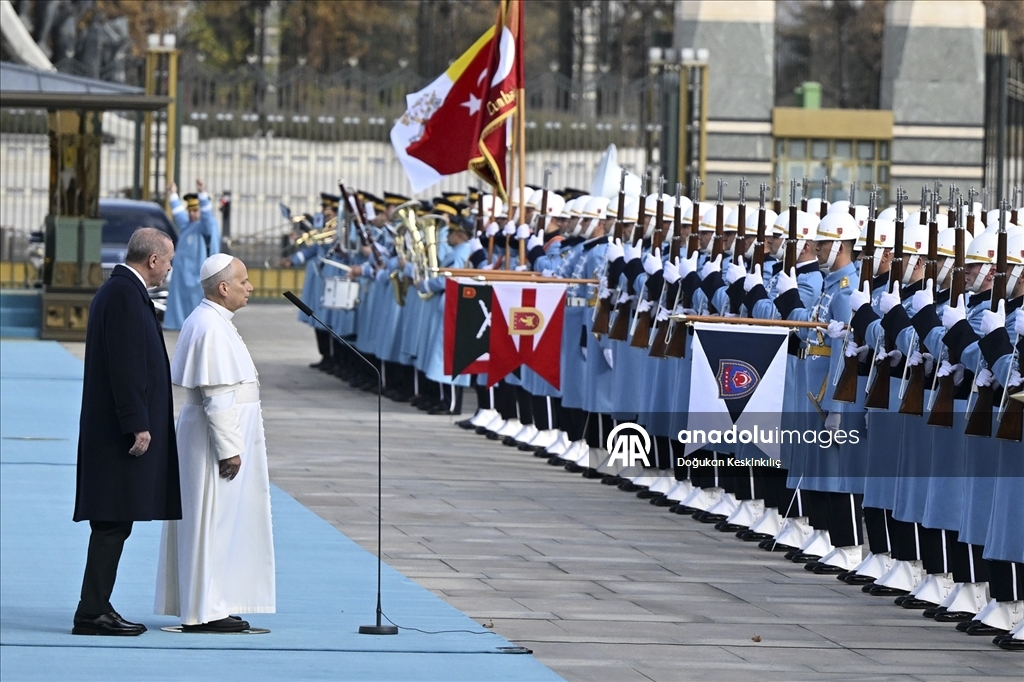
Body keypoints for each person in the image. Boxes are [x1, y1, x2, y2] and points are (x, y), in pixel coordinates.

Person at [156, 253, 275, 633]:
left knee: (217, 522)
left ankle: (211, 602)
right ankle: (205, 609)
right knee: (213, 522)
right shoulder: (210, 326)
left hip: (213, 436)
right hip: (214, 442)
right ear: (223, 288)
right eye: (243, 281)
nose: (250, 287)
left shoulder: (212, 320)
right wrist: (230, 450)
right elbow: (218, 395)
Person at [73, 228, 181, 636]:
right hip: (117, 432)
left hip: (113, 428)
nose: (169, 268)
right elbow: (125, 363)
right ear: (153, 260)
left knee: (115, 520)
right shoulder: (123, 294)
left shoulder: (123, 290)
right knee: (112, 520)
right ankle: (92, 612)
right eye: (168, 261)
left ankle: (96, 606)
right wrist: (137, 422)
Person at [164, 178, 221, 330]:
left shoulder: (206, 226)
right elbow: (179, 215)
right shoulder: (188, 226)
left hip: (197, 275)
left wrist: (202, 192)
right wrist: (173, 195)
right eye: (190, 210)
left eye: (195, 210)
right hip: (182, 275)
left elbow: (206, 217)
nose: (191, 214)